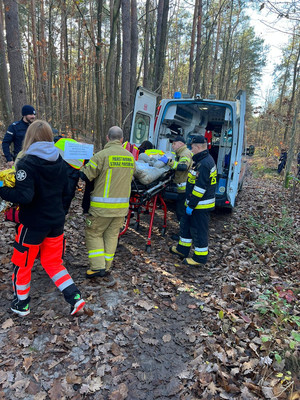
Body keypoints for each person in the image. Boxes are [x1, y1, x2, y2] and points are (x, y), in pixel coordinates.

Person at [0, 120, 85, 316]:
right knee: (53, 263)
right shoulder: (61, 161)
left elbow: (24, 197)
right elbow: (66, 192)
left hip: (32, 225)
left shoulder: (27, 163)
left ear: (29, 137)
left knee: (23, 263)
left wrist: (2, 189)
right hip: (55, 222)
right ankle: (75, 297)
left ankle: (22, 304)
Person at [80, 126, 136, 280]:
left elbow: (86, 175)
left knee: (94, 234)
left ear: (107, 138)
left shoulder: (101, 156)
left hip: (101, 208)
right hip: (121, 209)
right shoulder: (130, 157)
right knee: (112, 236)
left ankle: (98, 268)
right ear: (122, 139)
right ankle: (106, 266)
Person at [169, 135, 217, 267]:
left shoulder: (205, 164)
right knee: (185, 227)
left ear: (198, 147)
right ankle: (182, 250)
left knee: (198, 231)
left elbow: (200, 189)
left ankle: (199, 258)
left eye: (192, 147)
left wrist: (191, 205)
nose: (191, 149)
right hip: (192, 203)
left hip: (200, 205)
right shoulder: (200, 160)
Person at [158, 136, 193, 239]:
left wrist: (168, 162)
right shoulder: (181, 153)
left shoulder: (185, 153)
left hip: (185, 189)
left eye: (174, 143)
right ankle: (185, 232)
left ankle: (183, 234)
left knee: (181, 212)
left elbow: (183, 167)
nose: (172, 145)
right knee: (181, 212)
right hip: (184, 188)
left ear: (181, 144)